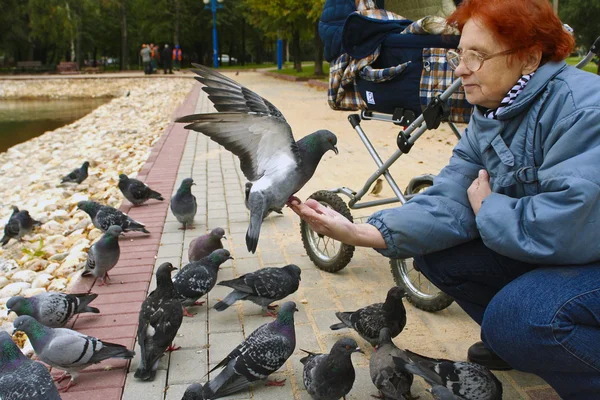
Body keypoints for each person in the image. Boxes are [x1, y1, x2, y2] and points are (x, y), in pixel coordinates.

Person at [290, 0, 600, 398]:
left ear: (528, 59)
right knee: (437, 255)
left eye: (477, 56)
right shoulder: (493, 112)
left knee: (520, 318)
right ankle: (526, 344)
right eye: (460, 53)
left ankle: (544, 344)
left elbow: (567, 224)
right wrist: (360, 231)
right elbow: (450, 198)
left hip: (584, 253)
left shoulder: (582, 110)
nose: (460, 69)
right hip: (567, 253)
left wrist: (489, 208)